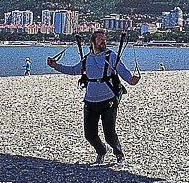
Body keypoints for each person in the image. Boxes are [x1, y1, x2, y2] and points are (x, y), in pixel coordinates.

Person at [47, 30, 140, 165]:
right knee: (89, 135)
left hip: (109, 101)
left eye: (105, 39)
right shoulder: (87, 59)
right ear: (93, 43)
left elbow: (122, 70)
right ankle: (101, 151)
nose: (104, 41)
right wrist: (56, 66)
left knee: (109, 135)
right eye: (100, 39)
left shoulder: (111, 56)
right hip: (90, 101)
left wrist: (131, 80)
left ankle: (119, 153)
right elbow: (73, 70)